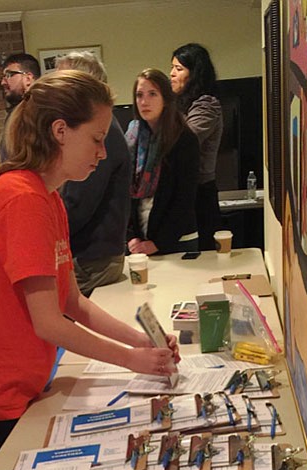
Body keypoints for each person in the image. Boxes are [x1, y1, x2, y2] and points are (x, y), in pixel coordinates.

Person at [0, 70, 179, 466]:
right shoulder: (21, 197)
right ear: (60, 131)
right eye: (95, 139)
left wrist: (143, 343)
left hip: (26, 378)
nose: (102, 153)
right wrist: (130, 360)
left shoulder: (48, 197)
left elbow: (72, 301)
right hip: (0, 389)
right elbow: (49, 323)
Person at [56, 52, 131, 296]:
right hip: (96, 257)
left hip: (92, 260)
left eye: (63, 84)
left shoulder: (100, 133)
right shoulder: (101, 129)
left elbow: (77, 206)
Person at [125, 68, 199, 257]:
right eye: (139, 95)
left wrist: (158, 243)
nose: (144, 101)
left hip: (177, 238)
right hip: (141, 237)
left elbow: (185, 198)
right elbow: (124, 193)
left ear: (165, 99)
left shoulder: (183, 138)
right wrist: (131, 236)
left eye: (152, 94)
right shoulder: (132, 137)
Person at [170, 43, 223, 251]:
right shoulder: (182, 105)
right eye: (172, 67)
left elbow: (183, 142)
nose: (172, 74)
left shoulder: (206, 104)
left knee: (204, 254)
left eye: (179, 69)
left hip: (200, 192)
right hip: (185, 191)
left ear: (195, 74)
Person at [0, 52, 40, 162]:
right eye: (3, 77)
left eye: (9, 75)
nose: (3, 82)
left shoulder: (38, 113)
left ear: (28, 79)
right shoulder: (16, 113)